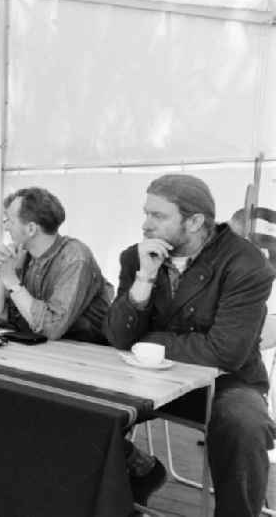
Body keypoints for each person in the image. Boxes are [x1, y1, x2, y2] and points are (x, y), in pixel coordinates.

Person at [105, 174, 276, 516]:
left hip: (225, 382)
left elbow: (225, 352)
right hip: (145, 377)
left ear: (195, 221)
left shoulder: (247, 264)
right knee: (77, 401)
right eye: (146, 213)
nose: (145, 224)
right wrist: (144, 278)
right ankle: (132, 479)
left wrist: (148, 342)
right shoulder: (135, 257)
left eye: (158, 216)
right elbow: (118, 337)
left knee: (245, 423)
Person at [0, 187, 112, 343]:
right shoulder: (21, 255)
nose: (6, 227)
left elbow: (52, 328)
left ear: (31, 229)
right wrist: (3, 275)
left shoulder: (75, 258)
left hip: (85, 355)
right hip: (39, 349)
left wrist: (13, 282)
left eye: (10, 221)